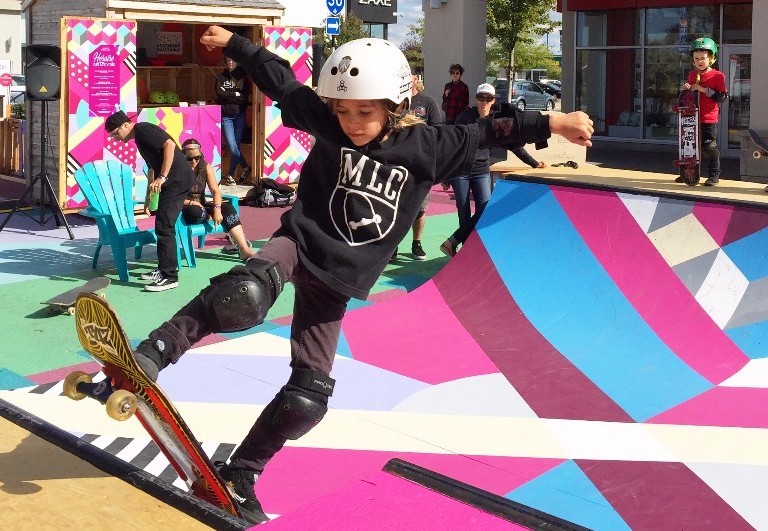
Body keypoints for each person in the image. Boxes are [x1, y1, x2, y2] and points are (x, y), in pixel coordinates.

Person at [131, 26, 593, 524]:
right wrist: (238, 47)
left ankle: (241, 472)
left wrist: (557, 121)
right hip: (299, 243)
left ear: (393, 106)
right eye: (343, 111)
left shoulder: (429, 147)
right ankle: (156, 350)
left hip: (339, 279)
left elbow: (489, 130)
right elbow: (283, 84)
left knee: (308, 397)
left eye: (365, 113)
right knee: (243, 294)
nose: (351, 123)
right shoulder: (330, 121)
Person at [442, 83, 546, 257]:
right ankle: (466, 253)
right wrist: (445, 175)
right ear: (476, 99)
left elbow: (513, 145)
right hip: (460, 170)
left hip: (481, 170)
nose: (484, 101)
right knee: (464, 212)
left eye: (488, 98)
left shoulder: (497, 122)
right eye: (481, 98)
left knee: (486, 208)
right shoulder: (464, 118)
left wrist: (534, 163)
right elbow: (451, 146)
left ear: (493, 101)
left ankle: (453, 241)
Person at [106, 110, 194, 291]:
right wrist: (149, 198)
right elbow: (152, 167)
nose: (115, 139)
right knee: (163, 225)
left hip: (177, 180)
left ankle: (170, 277)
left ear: (125, 125)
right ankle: (164, 269)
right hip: (173, 182)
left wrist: (162, 177)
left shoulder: (143, 130)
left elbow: (169, 145)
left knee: (164, 226)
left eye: (115, 133)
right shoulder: (139, 138)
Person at [392, 70, 444, 262]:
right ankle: (392, 245)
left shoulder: (427, 102)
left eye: (411, 75)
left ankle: (416, 243)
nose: (408, 78)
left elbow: (438, 129)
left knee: (420, 208)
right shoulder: (394, 100)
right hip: (398, 162)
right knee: (395, 206)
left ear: (416, 78)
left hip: (421, 162)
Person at [180, 138, 256, 260]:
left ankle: (244, 249)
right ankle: (208, 215)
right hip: (185, 206)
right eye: (189, 159)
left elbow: (215, 191)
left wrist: (217, 209)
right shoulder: (177, 170)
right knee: (194, 212)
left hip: (202, 205)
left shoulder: (206, 167)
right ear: (183, 157)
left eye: (197, 158)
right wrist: (191, 202)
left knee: (228, 208)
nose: (194, 161)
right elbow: (170, 196)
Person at [679, 37, 727, 187]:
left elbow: (721, 97)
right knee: (690, 147)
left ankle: (714, 175)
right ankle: (689, 173)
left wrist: (702, 89)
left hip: (708, 117)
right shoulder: (693, 75)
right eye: (696, 58)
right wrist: (686, 88)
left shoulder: (718, 76)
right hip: (692, 116)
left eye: (703, 58)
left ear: (712, 58)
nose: (700, 61)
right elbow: (689, 95)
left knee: (708, 146)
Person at [216, 57, 253, 186]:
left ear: (237, 61)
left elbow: (244, 98)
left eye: (232, 60)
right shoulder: (221, 77)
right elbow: (220, 94)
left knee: (235, 146)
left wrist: (229, 95)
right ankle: (246, 167)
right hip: (226, 116)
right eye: (228, 60)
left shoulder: (243, 77)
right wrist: (234, 95)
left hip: (240, 116)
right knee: (232, 147)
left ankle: (230, 175)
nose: (230, 62)